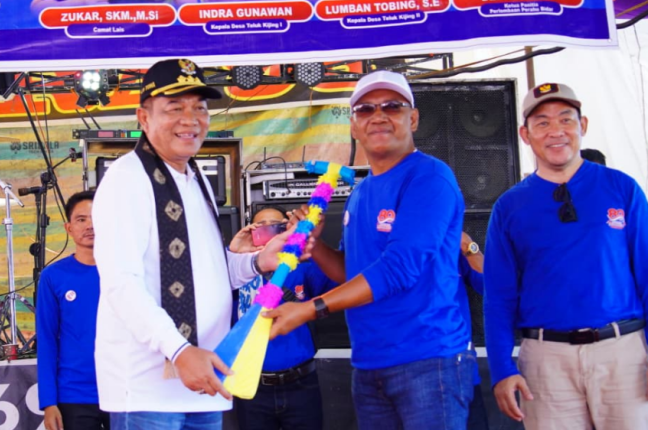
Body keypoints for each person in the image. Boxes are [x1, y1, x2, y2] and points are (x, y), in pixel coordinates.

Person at [91, 58, 300, 430]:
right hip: (148, 388)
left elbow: (204, 271)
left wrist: (257, 262)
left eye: (200, 108)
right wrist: (179, 350)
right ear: (143, 118)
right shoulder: (127, 179)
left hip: (203, 378)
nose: (191, 120)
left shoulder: (195, 176)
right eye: (175, 108)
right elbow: (121, 284)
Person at [264, 70, 474, 429]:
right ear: (353, 125)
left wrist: (309, 309)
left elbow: (398, 269)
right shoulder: (360, 192)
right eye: (365, 109)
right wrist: (315, 247)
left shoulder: (430, 178)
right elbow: (351, 272)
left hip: (428, 360)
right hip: (368, 363)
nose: (378, 116)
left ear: (413, 118)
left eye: (392, 106)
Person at [484, 82, 648, 429]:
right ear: (525, 134)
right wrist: (501, 369)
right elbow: (498, 296)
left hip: (623, 354)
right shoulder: (509, 206)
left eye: (565, 119)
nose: (555, 131)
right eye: (542, 123)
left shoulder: (622, 188)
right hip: (546, 361)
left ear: (582, 125)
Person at [230, 207, 337, 430]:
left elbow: (339, 281)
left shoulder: (303, 266)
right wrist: (233, 251)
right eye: (261, 226)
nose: (269, 232)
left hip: (301, 383)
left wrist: (309, 240)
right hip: (252, 386)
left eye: (275, 226)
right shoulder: (235, 271)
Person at [36, 190, 110, 430]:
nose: (90, 225)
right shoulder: (53, 276)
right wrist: (48, 403)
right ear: (69, 228)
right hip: (74, 396)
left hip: (124, 390)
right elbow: (47, 340)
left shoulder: (126, 271)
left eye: (96, 217)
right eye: (81, 219)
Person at [457, 232, 489, 430]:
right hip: (401, 365)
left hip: (460, 370)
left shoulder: (449, 235)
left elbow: (490, 285)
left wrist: (469, 247)